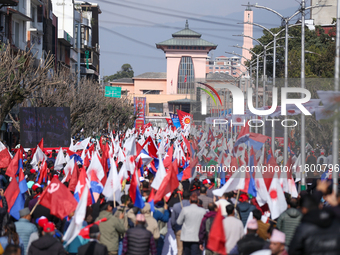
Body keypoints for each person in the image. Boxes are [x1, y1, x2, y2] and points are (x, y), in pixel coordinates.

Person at [171, 190, 191, 255]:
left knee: (180, 249)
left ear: (182, 197)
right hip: (190, 230)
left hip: (179, 229)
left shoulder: (176, 206)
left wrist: (174, 228)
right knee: (188, 249)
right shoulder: (192, 206)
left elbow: (173, 220)